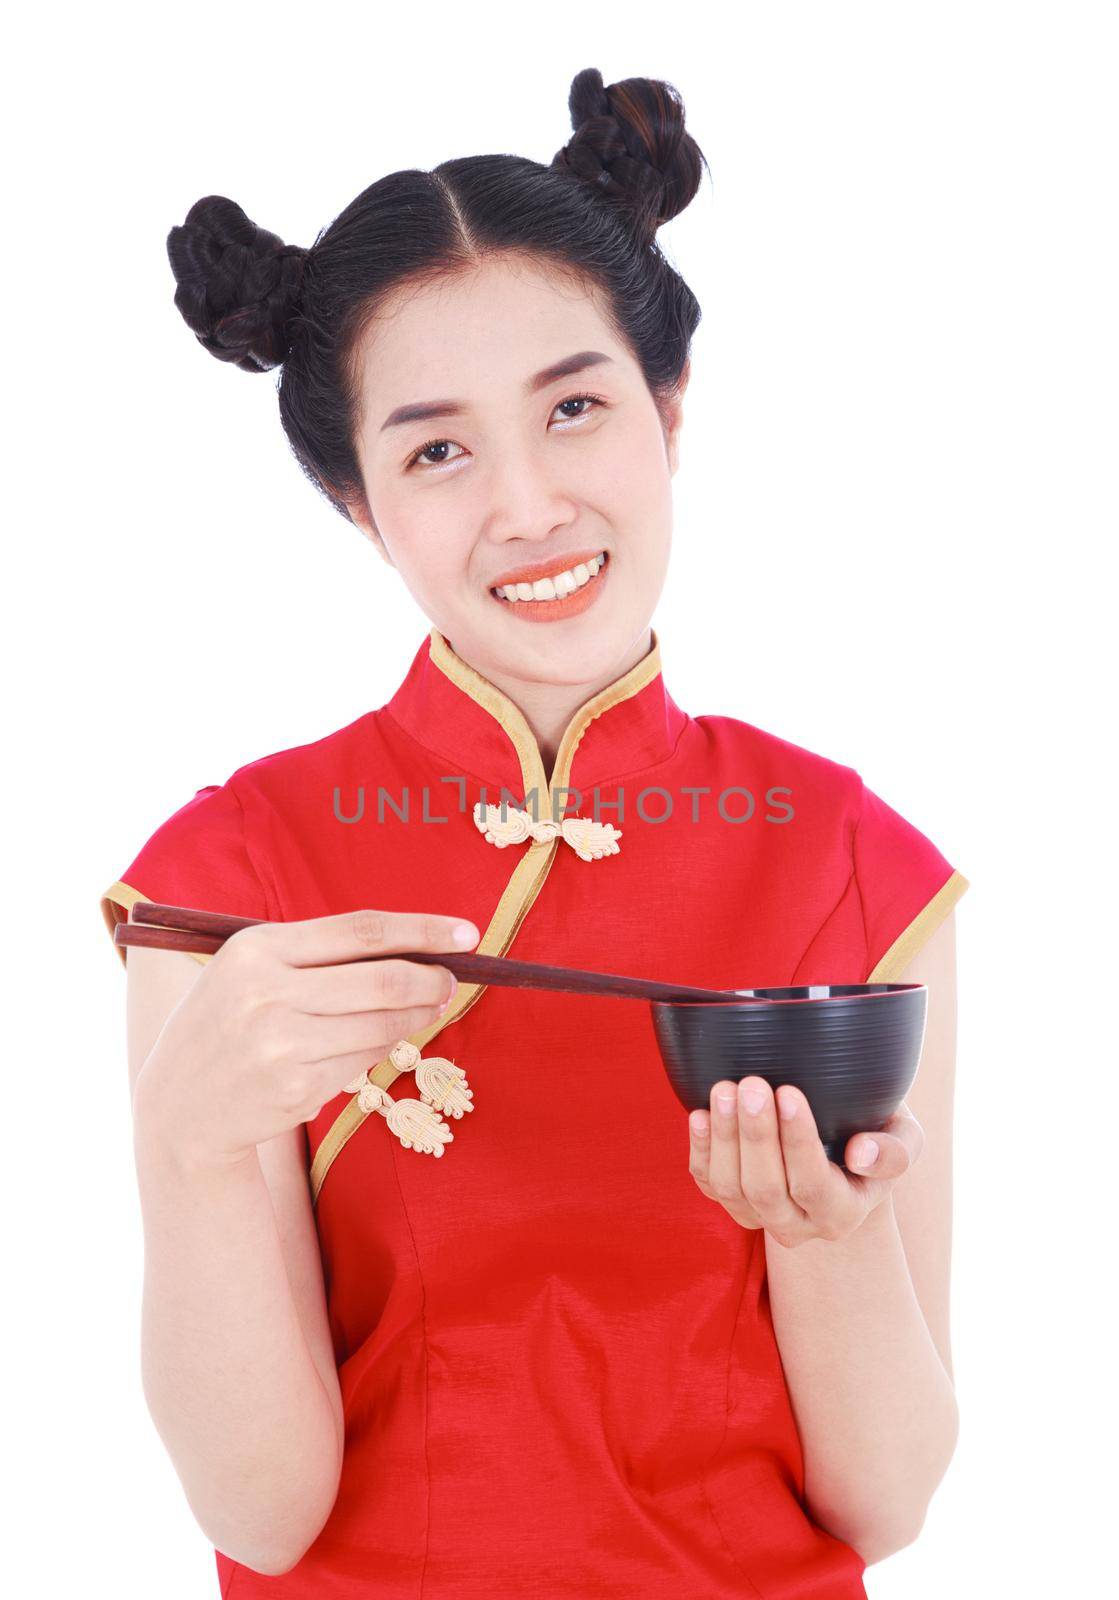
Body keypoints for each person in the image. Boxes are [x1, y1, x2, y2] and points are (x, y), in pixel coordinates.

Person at [101, 67, 969, 1599]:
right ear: (355, 502)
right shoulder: (222, 876)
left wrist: (824, 1240)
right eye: (436, 450)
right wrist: (190, 1143)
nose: (528, 504)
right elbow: (264, 1516)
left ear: (669, 409)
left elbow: (885, 1499)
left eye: (574, 407)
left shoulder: (853, 857)